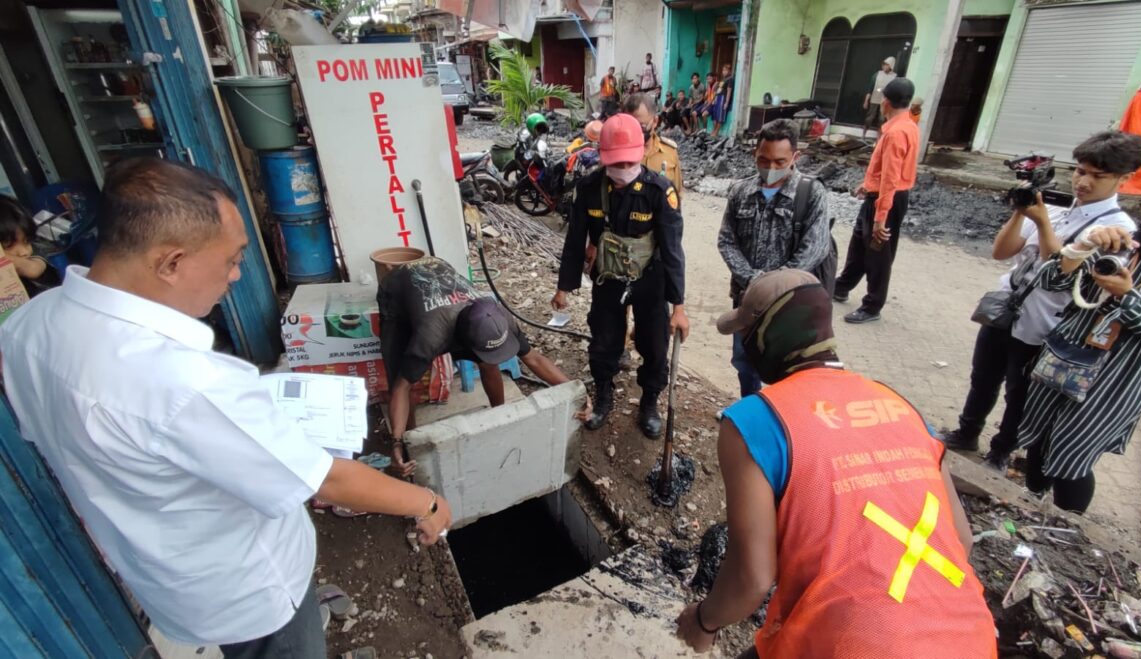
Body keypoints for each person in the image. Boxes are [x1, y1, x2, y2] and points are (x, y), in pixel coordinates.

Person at [0, 157, 453, 657]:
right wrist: (428, 504)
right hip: (250, 592)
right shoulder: (184, 382)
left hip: (166, 575)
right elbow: (328, 479)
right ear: (170, 263)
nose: (237, 274)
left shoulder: (29, 326)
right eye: (231, 259)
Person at [675, 268, 996, 657]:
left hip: (852, 643)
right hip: (971, 638)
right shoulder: (898, 403)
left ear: (765, 337)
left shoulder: (756, 420)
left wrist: (704, 620)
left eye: (746, 332)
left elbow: (752, 578)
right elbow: (960, 540)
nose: (743, 344)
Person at [943, 131, 1141, 472]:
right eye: (1081, 171)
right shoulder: (1054, 206)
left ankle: (1001, 451)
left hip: (1046, 324)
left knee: (1018, 392)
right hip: (1007, 309)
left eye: (1098, 176)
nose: (1083, 182)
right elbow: (1000, 252)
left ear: (1124, 179)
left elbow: (1060, 271)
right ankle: (967, 432)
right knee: (983, 377)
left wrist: (1040, 224)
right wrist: (1021, 212)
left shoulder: (1117, 229)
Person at [1014, 172, 1141, 514]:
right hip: (1065, 358)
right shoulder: (1122, 246)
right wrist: (1082, 247)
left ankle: (1069, 524)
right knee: (1039, 438)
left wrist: (1126, 296)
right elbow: (1050, 279)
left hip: (1116, 381)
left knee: (1073, 454)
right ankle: (1028, 505)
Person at [552, 114, 688, 438]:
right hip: (608, 278)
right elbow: (575, 241)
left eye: (629, 162)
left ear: (641, 153)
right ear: (602, 156)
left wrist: (679, 307)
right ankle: (603, 395)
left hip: (649, 278)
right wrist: (563, 288)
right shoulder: (589, 188)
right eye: (615, 162)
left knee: (654, 344)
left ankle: (650, 401)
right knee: (604, 340)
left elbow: (672, 251)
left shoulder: (660, 191)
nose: (622, 169)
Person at [379, 256, 578, 476]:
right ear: (463, 344)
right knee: (399, 372)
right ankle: (410, 443)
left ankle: (498, 414)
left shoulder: (500, 318)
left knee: (488, 361)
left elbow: (534, 359)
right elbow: (402, 387)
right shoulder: (430, 336)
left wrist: (576, 391)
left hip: (439, 267)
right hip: (397, 291)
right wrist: (396, 441)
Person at [718, 119, 832, 397]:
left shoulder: (811, 193)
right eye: (763, 160)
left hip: (793, 306)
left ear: (795, 156)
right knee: (745, 362)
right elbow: (726, 241)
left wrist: (775, 287)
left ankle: (785, 423)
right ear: (755, 154)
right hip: (747, 301)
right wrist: (753, 281)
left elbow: (815, 248)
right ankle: (753, 410)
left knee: (790, 371)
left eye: (779, 162)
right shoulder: (741, 192)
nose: (770, 168)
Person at [834, 77, 919, 324]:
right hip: (879, 194)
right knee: (859, 244)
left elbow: (892, 178)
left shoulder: (896, 133)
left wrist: (881, 217)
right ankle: (841, 286)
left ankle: (872, 305)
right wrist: (868, 184)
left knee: (878, 254)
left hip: (888, 199)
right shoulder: (907, 126)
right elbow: (887, 170)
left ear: (885, 102)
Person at [623, 92, 684, 198]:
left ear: (655, 121)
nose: (636, 131)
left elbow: (676, 194)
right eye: (630, 125)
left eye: (641, 126)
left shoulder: (670, 152)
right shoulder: (617, 155)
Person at [0, 195, 61, 297]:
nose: (24, 252)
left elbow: (32, 269)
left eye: (27, 241)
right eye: (8, 245)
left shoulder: (35, 253)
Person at [862, 57, 898, 141]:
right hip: (874, 99)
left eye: (887, 65)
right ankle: (863, 134)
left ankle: (879, 137)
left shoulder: (894, 77)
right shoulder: (877, 74)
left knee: (882, 119)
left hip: (885, 101)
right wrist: (866, 101)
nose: (884, 67)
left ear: (891, 66)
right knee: (870, 117)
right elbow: (870, 89)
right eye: (884, 65)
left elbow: (894, 90)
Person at [710, 64, 735, 137]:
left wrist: (726, 102)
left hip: (723, 99)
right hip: (718, 98)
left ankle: (716, 132)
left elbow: (729, 91)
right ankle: (714, 130)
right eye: (723, 70)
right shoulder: (723, 80)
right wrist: (714, 98)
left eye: (725, 70)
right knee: (715, 116)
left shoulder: (730, 79)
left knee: (720, 116)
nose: (723, 72)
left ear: (729, 71)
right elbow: (716, 90)